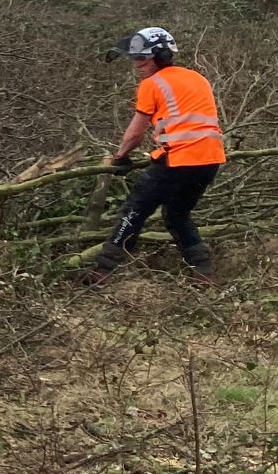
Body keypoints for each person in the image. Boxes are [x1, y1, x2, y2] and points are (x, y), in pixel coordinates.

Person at [87, 26, 225, 283]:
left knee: (133, 212)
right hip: (210, 159)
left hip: (178, 160)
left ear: (159, 57)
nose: (137, 65)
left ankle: (101, 272)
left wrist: (120, 156)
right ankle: (204, 272)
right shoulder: (197, 78)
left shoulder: (152, 84)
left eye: (142, 59)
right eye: (135, 59)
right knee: (176, 214)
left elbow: (134, 134)